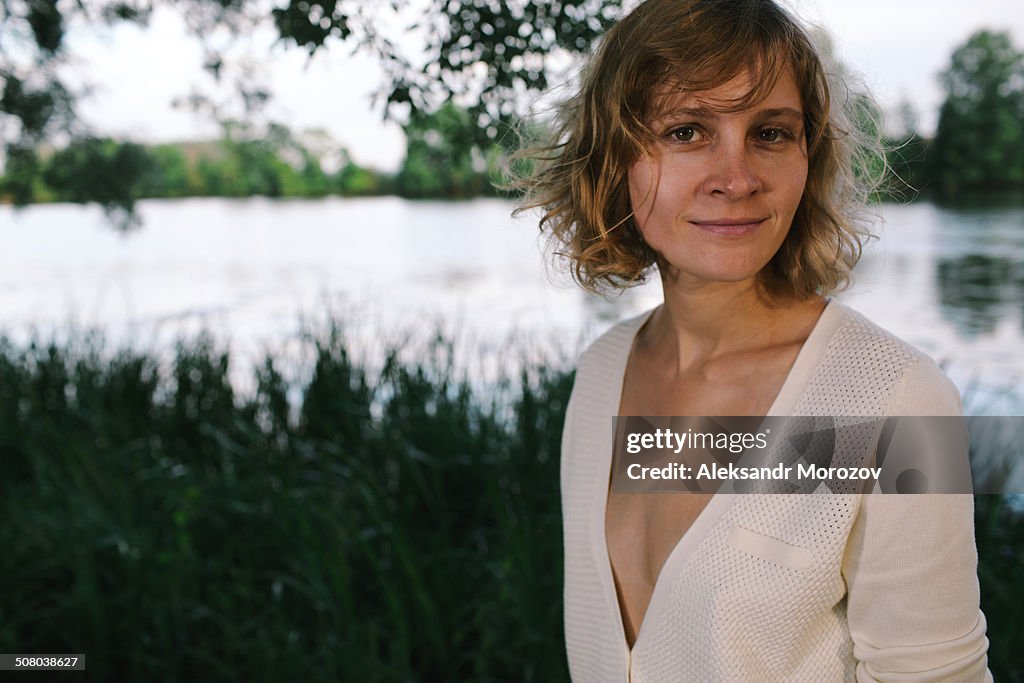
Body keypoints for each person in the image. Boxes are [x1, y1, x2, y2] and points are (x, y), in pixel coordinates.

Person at [513, 0, 992, 680]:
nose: (736, 178)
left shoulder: (898, 402)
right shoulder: (602, 373)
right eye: (686, 131)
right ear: (613, 159)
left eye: (770, 133)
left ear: (810, 156)